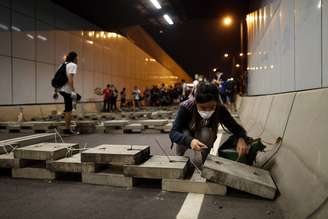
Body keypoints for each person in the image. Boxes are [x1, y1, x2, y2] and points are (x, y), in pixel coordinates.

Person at [169, 82, 248, 167]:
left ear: (216, 103)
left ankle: (202, 162)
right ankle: (178, 159)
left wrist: (241, 139)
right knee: (184, 134)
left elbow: (237, 128)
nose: (207, 111)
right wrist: (190, 141)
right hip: (186, 135)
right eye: (203, 108)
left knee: (207, 133)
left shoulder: (220, 109)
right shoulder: (186, 107)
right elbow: (173, 133)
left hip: (202, 135)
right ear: (195, 102)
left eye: (211, 107)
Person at [58, 51, 80, 134]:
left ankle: (65, 114)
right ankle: (67, 128)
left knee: (76, 99)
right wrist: (73, 89)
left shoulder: (62, 65)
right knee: (69, 109)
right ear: (74, 58)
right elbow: (70, 78)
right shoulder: (73, 65)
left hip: (60, 89)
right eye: (77, 58)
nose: (78, 59)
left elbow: (58, 77)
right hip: (67, 90)